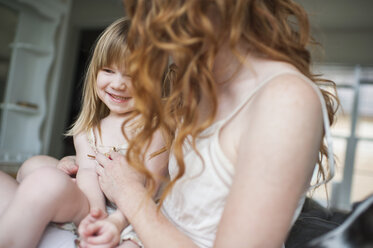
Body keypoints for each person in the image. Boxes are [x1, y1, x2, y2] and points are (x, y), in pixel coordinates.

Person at [87, 0, 340, 248]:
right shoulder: (200, 82)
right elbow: (177, 191)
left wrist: (129, 193)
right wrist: (86, 166)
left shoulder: (286, 99)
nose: (154, 38)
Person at [0, 17, 168, 248]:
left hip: (133, 214)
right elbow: (87, 173)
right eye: (108, 70)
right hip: (94, 202)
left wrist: (116, 223)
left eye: (133, 75)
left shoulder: (156, 129)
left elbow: (150, 186)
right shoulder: (88, 130)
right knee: (30, 169)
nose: (118, 84)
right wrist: (97, 213)